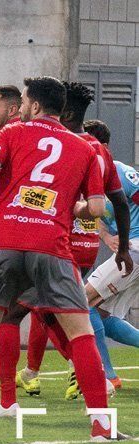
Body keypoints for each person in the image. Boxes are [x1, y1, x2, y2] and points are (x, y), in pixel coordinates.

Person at [0, 76, 124, 441]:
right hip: (52, 247)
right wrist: (67, 208)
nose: (21, 106)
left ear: (35, 106)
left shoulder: (11, 133)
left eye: (24, 101)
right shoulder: (85, 149)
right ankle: (101, 425)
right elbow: (97, 207)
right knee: (81, 334)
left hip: (5, 242)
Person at [10, 82, 132, 404]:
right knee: (54, 308)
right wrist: (113, 241)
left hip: (55, 240)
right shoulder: (98, 150)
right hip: (86, 242)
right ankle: (36, 373)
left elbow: (48, 196)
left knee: (52, 308)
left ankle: (92, 373)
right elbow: (112, 202)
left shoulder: (58, 143)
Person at [80, 120, 139, 387]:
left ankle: (106, 376)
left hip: (135, 251)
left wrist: (126, 243)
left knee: (82, 302)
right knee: (102, 315)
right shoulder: (90, 176)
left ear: (103, 146)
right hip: (128, 251)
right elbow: (95, 214)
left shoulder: (122, 173)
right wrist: (106, 236)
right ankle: (106, 375)